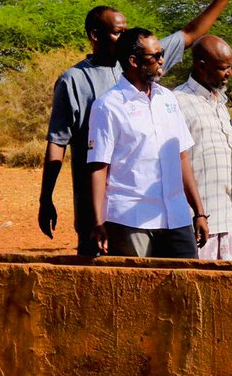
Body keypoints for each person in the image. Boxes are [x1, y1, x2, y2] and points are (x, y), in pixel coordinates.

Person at [39, 0, 232, 255]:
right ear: (95, 36)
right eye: (117, 31)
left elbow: (190, 34)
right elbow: (59, 142)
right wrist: (47, 198)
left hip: (166, 209)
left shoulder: (153, 76)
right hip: (113, 207)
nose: (124, 35)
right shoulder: (78, 82)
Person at [88, 29, 209, 258]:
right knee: (137, 289)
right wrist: (98, 222)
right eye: (155, 56)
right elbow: (98, 167)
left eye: (161, 53)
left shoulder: (168, 99)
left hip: (176, 216)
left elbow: (181, 156)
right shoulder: (108, 106)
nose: (161, 59)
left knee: (184, 287)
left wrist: (199, 213)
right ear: (133, 62)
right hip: (130, 219)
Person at [174, 36, 232, 261]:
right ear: (201, 66)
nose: (229, 73)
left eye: (231, 67)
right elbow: (175, 162)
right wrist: (198, 214)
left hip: (227, 218)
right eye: (223, 68)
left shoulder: (219, 103)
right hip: (198, 223)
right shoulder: (177, 101)